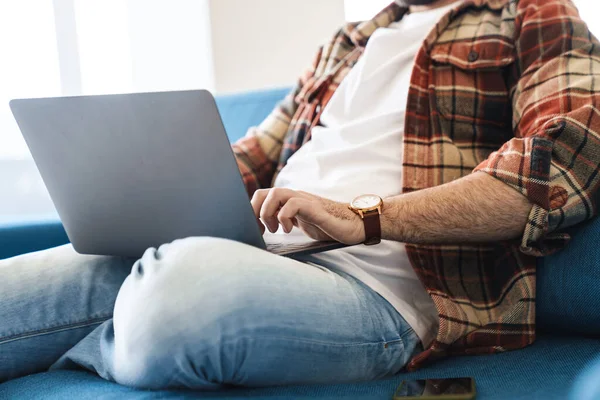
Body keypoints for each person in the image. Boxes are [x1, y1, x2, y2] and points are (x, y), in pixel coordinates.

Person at [1, 0, 599, 390]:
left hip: (383, 290)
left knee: (176, 299)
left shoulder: (531, 15)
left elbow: (557, 167)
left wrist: (364, 217)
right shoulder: (350, 40)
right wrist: (132, 184)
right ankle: (127, 329)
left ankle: (101, 334)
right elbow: (251, 155)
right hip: (254, 254)